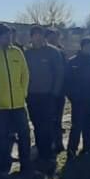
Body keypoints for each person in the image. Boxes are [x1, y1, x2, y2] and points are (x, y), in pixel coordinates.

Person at [0, 23, 31, 175]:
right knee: (0, 137)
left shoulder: (17, 52)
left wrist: (22, 93)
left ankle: (26, 164)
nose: (8, 39)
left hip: (18, 103)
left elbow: (25, 74)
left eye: (10, 36)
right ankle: (2, 164)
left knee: (24, 134)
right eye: (5, 36)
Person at [24, 24, 66, 163]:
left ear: (43, 36)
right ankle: (41, 150)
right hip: (32, 95)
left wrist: (54, 93)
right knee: (36, 124)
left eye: (40, 35)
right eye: (34, 35)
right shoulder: (27, 53)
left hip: (48, 95)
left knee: (47, 124)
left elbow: (59, 74)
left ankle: (49, 153)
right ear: (31, 37)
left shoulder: (53, 52)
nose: (37, 38)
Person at [63, 37, 90, 158]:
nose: (88, 49)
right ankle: (72, 149)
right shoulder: (73, 62)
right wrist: (72, 96)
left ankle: (89, 147)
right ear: (81, 47)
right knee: (76, 125)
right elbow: (67, 82)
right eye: (86, 46)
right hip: (78, 101)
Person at [44, 28, 68, 155]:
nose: (53, 40)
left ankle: (58, 143)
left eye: (55, 38)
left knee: (57, 119)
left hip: (59, 92)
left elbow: (65, 72)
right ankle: (46, 143)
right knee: (46, 119)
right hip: (44, 92)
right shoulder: (42, 52)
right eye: (50, 38)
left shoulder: (61, 52)